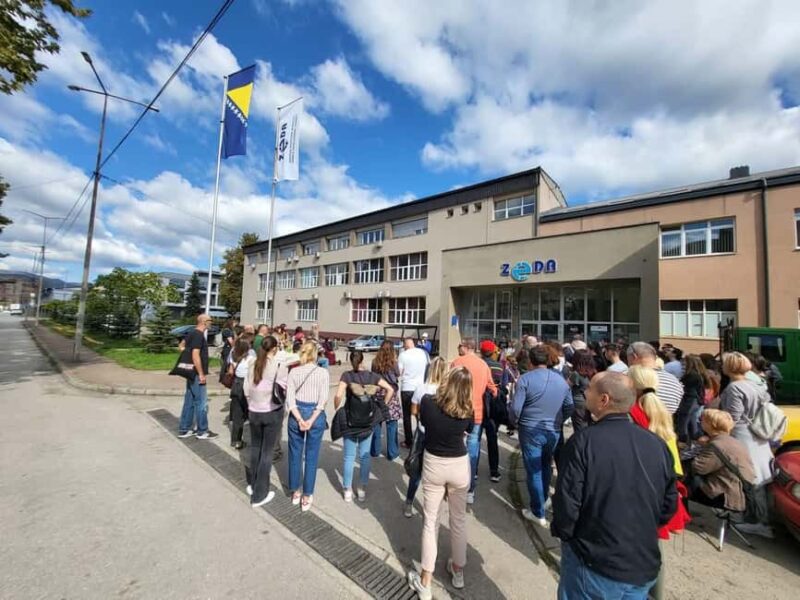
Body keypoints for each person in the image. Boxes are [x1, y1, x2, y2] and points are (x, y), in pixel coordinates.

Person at [552, 372, 677, 600]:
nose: (585, 392)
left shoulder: (583, 442)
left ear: (604, 400)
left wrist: (567, 536)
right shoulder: (657, 444)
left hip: (593, 562)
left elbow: (567, 503)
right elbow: (668, 505)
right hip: (641, 561)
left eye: (590, 389)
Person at [407, 367, 474, 599]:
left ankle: (425, 579)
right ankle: (458, 570)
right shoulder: (468, 410)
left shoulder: (428, 402)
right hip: (459, 464)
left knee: (431, 521)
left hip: (434, 462)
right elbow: (468, 432)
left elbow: (422, 421)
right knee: (458, 520)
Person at [628, 366, 691, 546]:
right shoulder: (660, 409)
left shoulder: (632, 412)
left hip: (638, 481)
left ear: (632, 384)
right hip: (661, 479)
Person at [511, 346, 573, 526]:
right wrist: (560, 419)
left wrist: (515, 421)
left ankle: (538, 511)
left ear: (530, 361)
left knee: (533, 470)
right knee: (546, 465)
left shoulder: (525, 379)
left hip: (530, 428)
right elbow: (569, 405)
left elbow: (515, 409)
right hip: (553, 429)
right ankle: (544, 499)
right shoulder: (561, 380)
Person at [333, 351, 394, 502]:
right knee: (364, 456)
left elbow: (338, 395)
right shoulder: (372, 376)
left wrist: (337, 408)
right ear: (362, 361)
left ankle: (347, 490)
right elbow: (390, 389)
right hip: (368, 421)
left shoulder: (347, 375)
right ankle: (361, 489)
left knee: (348, 456)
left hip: (350, 421)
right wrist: (381, 407)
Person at [243, 335, 288, 508]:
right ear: (275, 348)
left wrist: (251, 403)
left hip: (254, 411)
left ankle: (254, 484)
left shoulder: (253, 362)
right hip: (271, 412)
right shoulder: (278, 365)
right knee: (267, 453)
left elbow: (247, 387)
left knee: (255, 449)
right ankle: (260, 494)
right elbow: (282, 388)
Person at [451, 336, 497, 505]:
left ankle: (454, 484)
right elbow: (492, 388)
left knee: (456, 446)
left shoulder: (456, 363)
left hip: (458, 412)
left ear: (466, 347)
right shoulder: (483, 365)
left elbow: (448, 385)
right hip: (476, 413)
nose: (458, 348)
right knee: (473, 448)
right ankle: (470, 489)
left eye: (459, 345)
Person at [286, 341, 329, 512]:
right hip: (315, 415)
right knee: (311, 456)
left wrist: (299, 418)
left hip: (296, 413)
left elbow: (290, 399)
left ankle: (295, 491)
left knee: (295, 454)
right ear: (316, 354)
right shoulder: (323, 373)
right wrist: (310, 420)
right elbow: (323, 400)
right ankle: (307, 494)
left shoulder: (294, 371)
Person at [719, 352, 774, 485]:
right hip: (757, 432)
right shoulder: (756, 384)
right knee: (760, 472)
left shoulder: (734, 387)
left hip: (741, 434)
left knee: (746, 472)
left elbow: (733, 416)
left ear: (729, 367)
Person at [405, 356, 448, 517]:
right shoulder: (447, 390)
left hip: (423, 432)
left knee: (416, 470)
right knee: (436, 474)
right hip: (441, 435)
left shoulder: (422, 388)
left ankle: (409, 502)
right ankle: (432, 508)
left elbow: (413, 411)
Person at [688, 409, 755, 512]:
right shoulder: (735, 442)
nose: (700, 421)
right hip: (741, 493)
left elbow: (698, 468)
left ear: (711, 424)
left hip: (725, 496)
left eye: (703, 420)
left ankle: (678, 518)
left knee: (682, 479)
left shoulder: (716, 445)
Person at [178, 314, 218, 439]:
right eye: (210, 320)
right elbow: (195, 354)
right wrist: (201, 373)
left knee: (189, 401)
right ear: (204, 322)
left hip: (190, 372)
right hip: (196, 374)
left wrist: (187, 356)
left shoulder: (191, 333)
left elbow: (181, 346)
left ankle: (185, 429)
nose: (211, 323)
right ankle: (202, 431)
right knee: (201, 403)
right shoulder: (199, 335)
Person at [626, 341, 683, 414]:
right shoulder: (675, 382)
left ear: (634, 357)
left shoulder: (628, 379)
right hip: (666, 423)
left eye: (627, 359)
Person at [371, 340, 401, 461]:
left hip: (378, 392)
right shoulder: (394, 362)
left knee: (377, 423)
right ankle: (392, 452)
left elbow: (373, 376)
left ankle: (375, 450)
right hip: (391, 393)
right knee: (391, 424)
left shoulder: (374, 362)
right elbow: (397, 375)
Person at [478, 340, 503, 483]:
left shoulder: (478, 364)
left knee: (475, 438)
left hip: (479, 404)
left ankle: (473, 470)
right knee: (492, 439)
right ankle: (494, 471)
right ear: (493, 351)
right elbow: (503, 386)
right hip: (493, 406)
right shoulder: (499, 366)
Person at [398, 337, 430, 447]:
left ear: (405, 345)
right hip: (421, 388)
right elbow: (428, 368)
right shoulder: (424, 353)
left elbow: (400, 372)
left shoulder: (403, 355)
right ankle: (422, 439)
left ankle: (409, 441)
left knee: (407, 416)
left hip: (407, 388)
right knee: (420, 416)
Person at [228, 337, 255, 449]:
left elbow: (230, 372)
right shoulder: (251, 358)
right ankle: (255, 439)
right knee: (252, 413)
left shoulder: (234, 356)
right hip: (247, 385)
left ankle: (236, 440)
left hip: (236, 384)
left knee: (237, 415)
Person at [676, 355, 711, 442]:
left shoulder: (691, 375)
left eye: (684, 363)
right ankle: (696, 440)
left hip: (689, 401)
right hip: (696, 401)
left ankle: (683, 441)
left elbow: (682, 386)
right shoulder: (700, 374)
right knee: (692, 422)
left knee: (683, 423)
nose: (682, 366)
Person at [567, 349, 595, 433]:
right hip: (590, 401)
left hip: (578, 403)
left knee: (580, 427)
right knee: (589, 425)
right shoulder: (592, 372)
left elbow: (566, 387)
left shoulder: (576, 374)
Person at [219, 318, 236, 382]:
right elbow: (230, 341)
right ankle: (222, 377)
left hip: (228, 348)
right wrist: (234, 347)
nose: (235, 325)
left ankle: (225, 377)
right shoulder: (227, 331)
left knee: (227, 363)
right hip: (227, 348)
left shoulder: (230, 330)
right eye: (234, 323)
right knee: (225, 363)